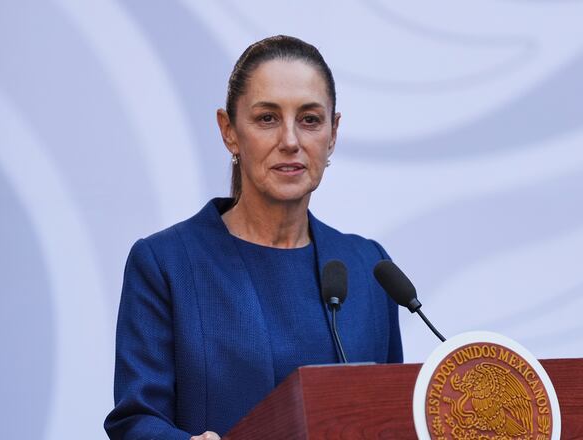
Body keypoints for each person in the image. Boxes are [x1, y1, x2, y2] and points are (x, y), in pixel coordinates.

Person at [104, 35, 403, 440]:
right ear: (229, 131)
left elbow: (395, 415)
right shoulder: (165, 264)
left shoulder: (369, 267)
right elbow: (136, 421)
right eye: (267, 118)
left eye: (310, 119)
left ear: (332, 134)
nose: (291, 141)